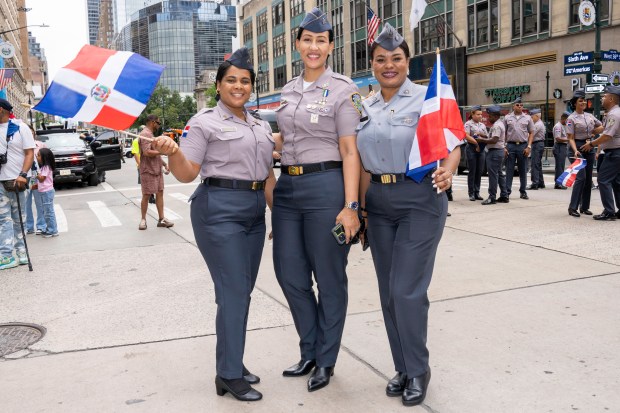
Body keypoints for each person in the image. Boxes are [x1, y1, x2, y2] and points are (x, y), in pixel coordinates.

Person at [152, 47, 275, 401]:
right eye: (231, 80)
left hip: (253, 210)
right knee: (235, 290)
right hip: (218, 209)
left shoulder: (259, 126)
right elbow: (188, 173)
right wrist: (172, 151)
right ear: (219, 86)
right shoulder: (203, 122)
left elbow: (267, 176)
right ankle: (228, 373)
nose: (239, 86)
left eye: (245, 81)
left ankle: (232, 361)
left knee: (239, 292)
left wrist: (277, 216)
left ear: (251, 86)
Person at [356, 24, 459, 407]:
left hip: (420, 197)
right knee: (388, 293)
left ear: (406, 62)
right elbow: (362, 164)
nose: (388, 65)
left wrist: (449, 170)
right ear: (372, 64)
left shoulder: (427, 98)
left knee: (406, 290)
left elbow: (452, 143)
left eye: (396, 58)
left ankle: (418, 369)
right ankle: (402, 366)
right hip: (379, 202)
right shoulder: (363, 106)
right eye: (381, 59)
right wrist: (362, 211)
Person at [272, 7, 361, 393]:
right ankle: (309, 349)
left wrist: (352, 206)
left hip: (327, 186)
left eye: (320, 41)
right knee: (289, 274)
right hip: (288, 190)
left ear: (329, 46)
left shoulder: (345, 89)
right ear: (297, 44)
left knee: (329, 278)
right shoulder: (288, 89)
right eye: (307, 40)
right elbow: (284, 139)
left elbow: (350, 150)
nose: (313, 47)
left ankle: (326, 359)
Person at [0, 98, 35, 269]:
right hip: (0, 181)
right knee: (2, 219)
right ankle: (6, 256)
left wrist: (23, 174)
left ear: (1, 110)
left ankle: (21, 252)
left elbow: (30, 153)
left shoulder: (21, 128)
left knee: (19, 219)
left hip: (18, 180)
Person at [579, 85, 620, 220]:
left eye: (605, 96)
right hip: (616, 152)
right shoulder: (615, 112)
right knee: (616, 181)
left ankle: (609, 211)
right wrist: (598, 130)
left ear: (612, 98)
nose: (602, 98)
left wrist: (591, 144)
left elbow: (608, 136)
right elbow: (608, 129)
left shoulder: (614, 114)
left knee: (603, 180)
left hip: (614, 153)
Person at [566, 89, 603, 217]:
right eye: (580, 101)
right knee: (580, 178)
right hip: (577, 147)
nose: (583, 103)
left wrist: (593, 133)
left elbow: (602, 126)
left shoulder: (589, 116)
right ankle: (572, 207)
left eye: (584, 101)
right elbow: (570, 137)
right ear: (575, 104)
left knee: (588, 179)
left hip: (589, 146)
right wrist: (576, 150)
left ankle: (585, 207)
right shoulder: (571, 118)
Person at [138, 115, 173, 230]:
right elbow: (147, 152)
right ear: (153, 122)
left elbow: (155, 154)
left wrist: (164, 164)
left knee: (160, 193)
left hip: (156, 169)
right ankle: (143, 220)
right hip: (148, 170)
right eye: (158, 123)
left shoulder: (151, 135)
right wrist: (162, 152)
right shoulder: (145, 134)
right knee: (146, 195)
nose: (159, 126)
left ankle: (161, 219)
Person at [504, 97, 534, 200]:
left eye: (521, 105)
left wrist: (529, 146)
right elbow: (503, 132)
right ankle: (507, 191)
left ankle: (523, 191)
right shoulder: (507, 118)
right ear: (513, 106)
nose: (520, 107)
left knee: (523, 170)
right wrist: (504, 146)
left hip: (523, 145)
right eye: (518, 105)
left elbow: (531, 132)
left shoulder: (527, 118)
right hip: (511, 145)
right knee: (509, 170)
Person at [480, 106, 509, 204]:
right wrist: (484, 136)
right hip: (498, 151)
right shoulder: (498, 124)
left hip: (494, 152)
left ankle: (492, 197)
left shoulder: (497, 125)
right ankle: (504, 195)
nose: (488, 118)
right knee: (499, 174)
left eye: (490, 116)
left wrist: (481, 140)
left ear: (495, 116)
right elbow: (492, 137)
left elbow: (494, 140)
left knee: (493, 175)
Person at [25, 124, 46, 234]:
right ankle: (29, 227)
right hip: (26, 177)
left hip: (38, 177)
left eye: (31, 132)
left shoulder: (40, 145)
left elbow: (47, 161)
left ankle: (41, 225)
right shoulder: (21, 146)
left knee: (40, 203)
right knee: (26, 204)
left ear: (34, 134)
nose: (29, 134)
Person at [464, 106, 487, 201]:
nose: (480, 116)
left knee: (480, 170)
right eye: (478, 114)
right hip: (471, 148)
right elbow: (466, 135)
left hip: (481, 149)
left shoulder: (482, 125)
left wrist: (481, 135)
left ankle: (477, 192)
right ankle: (471, 193)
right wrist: (476, 143)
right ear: (472, 114)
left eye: (481, 114)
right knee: (472, 171)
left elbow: (486, 136)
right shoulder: (468, 124)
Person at [35, 148, 59, 237]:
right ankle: (50, 228)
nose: (37, 157)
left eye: (38, 155)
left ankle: (52, 230)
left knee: (49, 212)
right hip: (44, 191)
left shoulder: (46, 167)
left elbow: (42, 179)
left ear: (44, 157)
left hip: (47, 191)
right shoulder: (43, 167)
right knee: (46, 211)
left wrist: (36, 173)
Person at [527, 108, 546, 190]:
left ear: (537, 116)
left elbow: (530, 135)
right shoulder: (538, 123)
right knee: (538, 164)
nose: (531, 118)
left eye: (532, 117)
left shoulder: (538, 125)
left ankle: (535, 183)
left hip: (537, 144)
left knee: (534, 164)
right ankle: (540, 182)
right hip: (538, 144)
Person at [553, 111, 570, 189]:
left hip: (562, 147)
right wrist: (568, 140)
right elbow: (558, 138)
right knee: (560, 166)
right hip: (559, 147)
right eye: (567, 120)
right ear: (563, 118)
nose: (568, 122)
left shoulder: (563, 126)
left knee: (561, 165)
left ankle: (558, 182)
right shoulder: (558, 126)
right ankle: (558, 183)